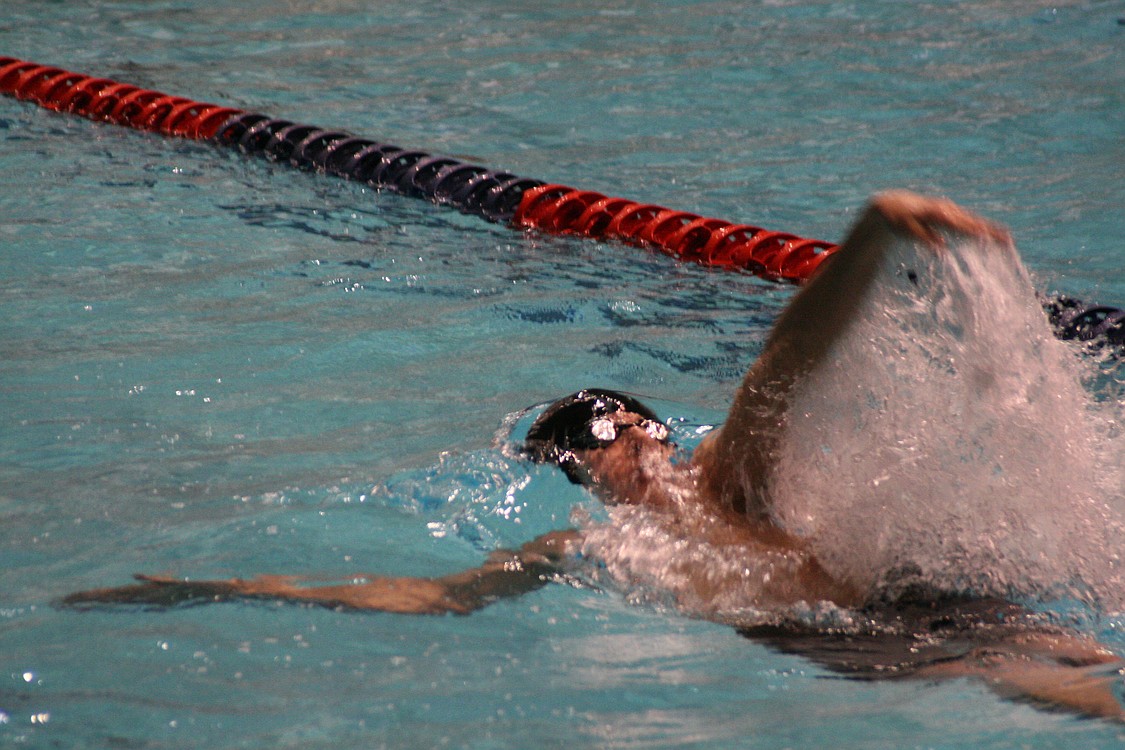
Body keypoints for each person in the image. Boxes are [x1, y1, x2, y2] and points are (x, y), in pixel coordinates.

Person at [65, 191, 1125, 720]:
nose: (619, 464)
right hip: (888, 614)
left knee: (1050, 678)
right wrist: (226, 585)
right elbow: (427, 599)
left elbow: (789, 358)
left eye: (599, 454)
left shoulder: (717, 486)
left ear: (584, 458)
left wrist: (874, 234)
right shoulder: (595, 543)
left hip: (868, 626)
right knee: (1064, 677)